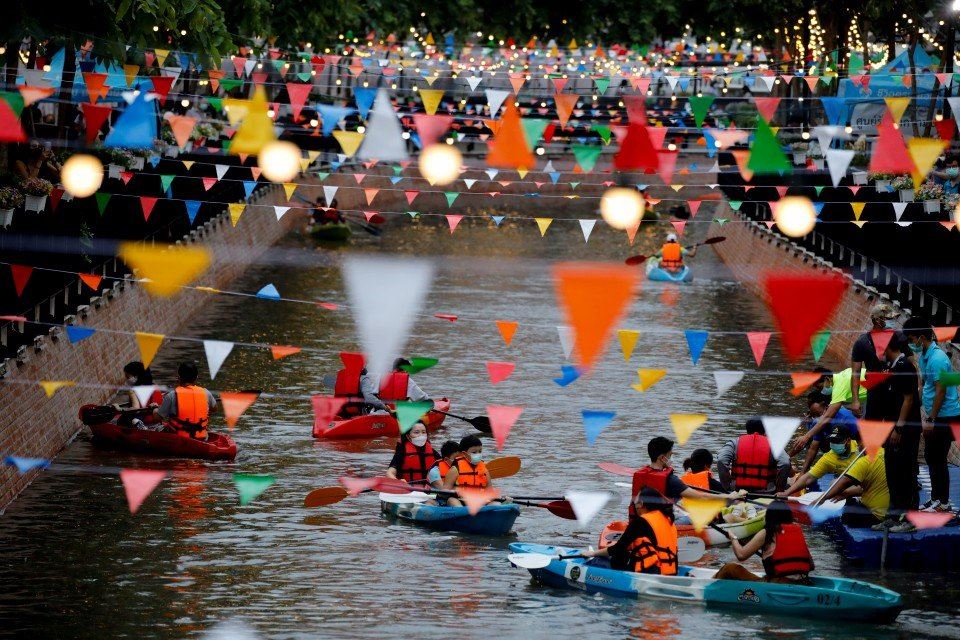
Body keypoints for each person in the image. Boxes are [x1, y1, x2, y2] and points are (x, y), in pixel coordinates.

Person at [902, 316, 959, 513]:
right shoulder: (926, 355)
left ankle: (942, 502)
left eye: (911, 339)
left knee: (937, 457)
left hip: (945, 415)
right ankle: (936, 498)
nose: (910, 343)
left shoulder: (937, 359)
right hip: (936, 414)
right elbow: (925, 385)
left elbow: (941, 391)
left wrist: (931, 419)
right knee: (931, 456)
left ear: (920, 337)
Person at [631, 437, 744, 519]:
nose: (671, 459)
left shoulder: (640, 474)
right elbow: (700, 497)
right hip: (661, 525)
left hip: (640, 522)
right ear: (662, 458)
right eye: (670, 455)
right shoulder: (671, 480)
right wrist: (730, 495)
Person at [875, 333, 922, 531]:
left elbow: (909, 399)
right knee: (892, 471)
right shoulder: (892, 368)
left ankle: (911, 519)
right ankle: (893, 515)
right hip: (891, 427)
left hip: (905, 430)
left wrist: (899, 428)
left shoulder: (904, 367)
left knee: (906, 471)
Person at [579, 488, 679, 575]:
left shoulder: (641, 521)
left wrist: (592, 554)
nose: (634, 505)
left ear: (641, 504)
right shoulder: (669, 521)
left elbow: (617, 549)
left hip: (647, 574)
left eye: (635, 501)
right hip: (670, 572)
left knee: (597, 561)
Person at [713, 502, 814, 584]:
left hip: (776, 586)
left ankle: (708, 585)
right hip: (803, 582)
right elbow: (811, 566)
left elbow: (741, 555)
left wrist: (733, 537)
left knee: (730, 568)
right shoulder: (797, 531)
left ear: (769, 517)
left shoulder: (767, 532)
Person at [790, 366, 867, 455]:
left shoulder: (838, 386)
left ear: (827, 379)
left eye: (819, 387)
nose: (820, 391)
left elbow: (827, 417)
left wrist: (806, 436)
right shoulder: (841, 377)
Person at [776, 424, 861, 499]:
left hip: (867, 482)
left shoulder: (861, 449)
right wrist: (787, 493)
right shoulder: (829, 457)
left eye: (837, 441)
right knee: (834, 485)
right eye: (832, 441)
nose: (834, 444)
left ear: (848, 441)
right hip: (850, 484)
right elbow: (809, 478)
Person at [819, 443, 890, 528]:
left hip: (876, 516)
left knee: (845, 513)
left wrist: (822, 499)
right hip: (890, 511)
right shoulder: (887, 454)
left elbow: (841, 483)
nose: (858, 447)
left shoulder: (865, 461)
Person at [849, 303, 900, 419]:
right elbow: (855, 373)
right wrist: (855, 400)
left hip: (896, 391)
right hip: (875, 392)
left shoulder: (898, 337)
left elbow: (911, 364)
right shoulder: (862, 343)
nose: (892, 321)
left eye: (893, 318)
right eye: (889, 319)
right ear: (877, 320)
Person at [716, 419, 791, 493]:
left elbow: (721, 460)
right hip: (767, 492)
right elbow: (785, 463)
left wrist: (727, 487)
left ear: (747, 430)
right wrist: (779, 489)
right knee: (788, 484)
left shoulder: (734, 443)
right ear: (764, 430)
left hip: (738, 491)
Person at [796, 392, 859, 473]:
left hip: (852, 451)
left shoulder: (847, 418)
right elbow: (813, 448)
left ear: (827, 408)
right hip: (833, 450)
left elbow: (860, 442)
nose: (817, 418)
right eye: (814, 416)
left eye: (819, 414)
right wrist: (802, 472)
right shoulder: (817, 422)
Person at [155, 362, 217, 440]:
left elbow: (157, 418)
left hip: (178, 437)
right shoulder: (206, 393)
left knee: (158, 428)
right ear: (196, 377)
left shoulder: (171, 395)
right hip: (202, 438)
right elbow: (214, 409)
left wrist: (155, 409)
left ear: (178, 377)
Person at [360, 358, 431, 413]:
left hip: (381, 413)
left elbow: (371, 396)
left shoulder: (381, 377)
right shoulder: (407, 380)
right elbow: (422, 399)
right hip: (399, 415)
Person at [426, 440, 460, 504]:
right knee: (453, 501)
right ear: (446, 459)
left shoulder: (462, 468)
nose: (459, 460)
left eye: (460, 457)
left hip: (458, 498)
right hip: (439, 501)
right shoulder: (435, 471)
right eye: (456, 458)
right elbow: (443, 491)